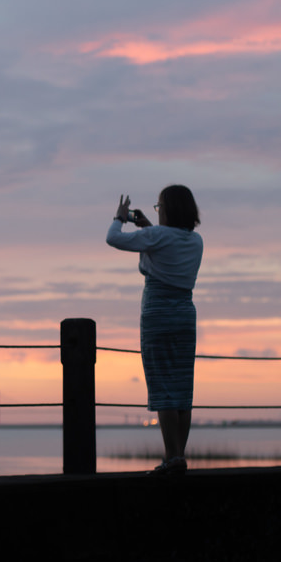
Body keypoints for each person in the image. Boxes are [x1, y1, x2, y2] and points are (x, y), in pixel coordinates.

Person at [106, 185, 203, 475]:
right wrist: (147, 224)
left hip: (157, 314)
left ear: (169, 210)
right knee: (182, 388)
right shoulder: (196, 241)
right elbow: (164, 244)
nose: (158, 212)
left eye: (159, 207)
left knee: (162, 386)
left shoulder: (157, 236)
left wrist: (120, 217)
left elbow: (113, 238)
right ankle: (180, 456)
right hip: (185, 314)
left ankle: (170, 457)